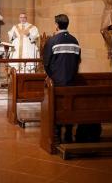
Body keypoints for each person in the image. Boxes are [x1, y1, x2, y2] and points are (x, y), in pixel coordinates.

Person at [43, 14, 81, 143]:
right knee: (69, 107)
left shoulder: (52, 41)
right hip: (71, 80)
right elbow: (77, 60)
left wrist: (51, 76)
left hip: (57, 82)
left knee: (57, 108)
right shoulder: (75, 40)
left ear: (57, 25)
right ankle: (69, 133)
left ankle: (57, 134)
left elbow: (46, 62)